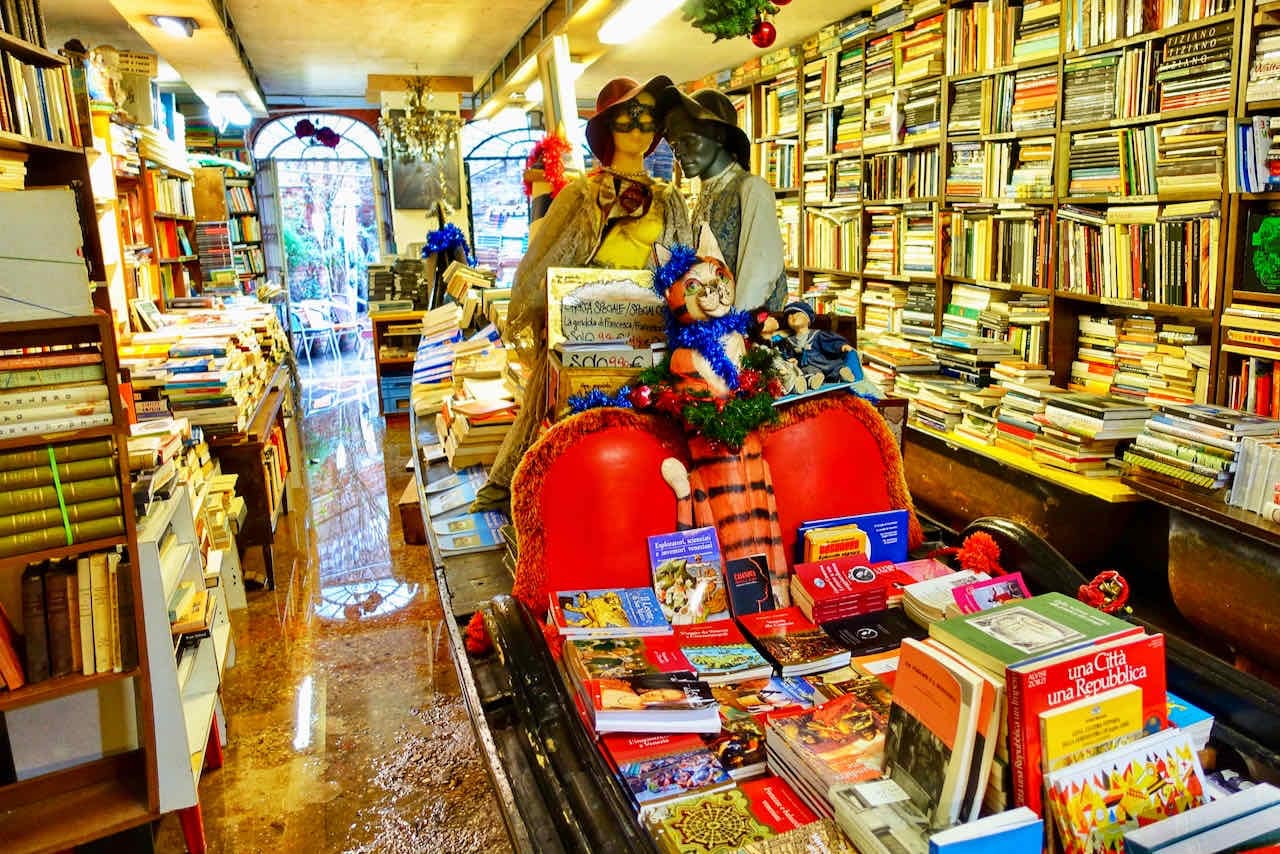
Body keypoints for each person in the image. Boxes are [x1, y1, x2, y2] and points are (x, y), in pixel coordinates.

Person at [470, 76, 692, 513]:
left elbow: (683, 264)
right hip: (588, 333)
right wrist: (556, 312)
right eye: (627, 116)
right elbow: (547, 262)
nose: (638, 126)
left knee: (643, 435)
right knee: (565, 427)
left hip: (649, 335)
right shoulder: (581, 194)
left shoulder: (670, 200)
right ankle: (542, 502)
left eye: (647, 116)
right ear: (608, 126)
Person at [659, 85, 787, 312]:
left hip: (744, 327)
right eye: (675, 147)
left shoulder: (751, 188)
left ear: (718, 136)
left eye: (689, 141)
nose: (680, 154)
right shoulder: (704, 198)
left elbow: (759, 273)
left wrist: (734, 325)